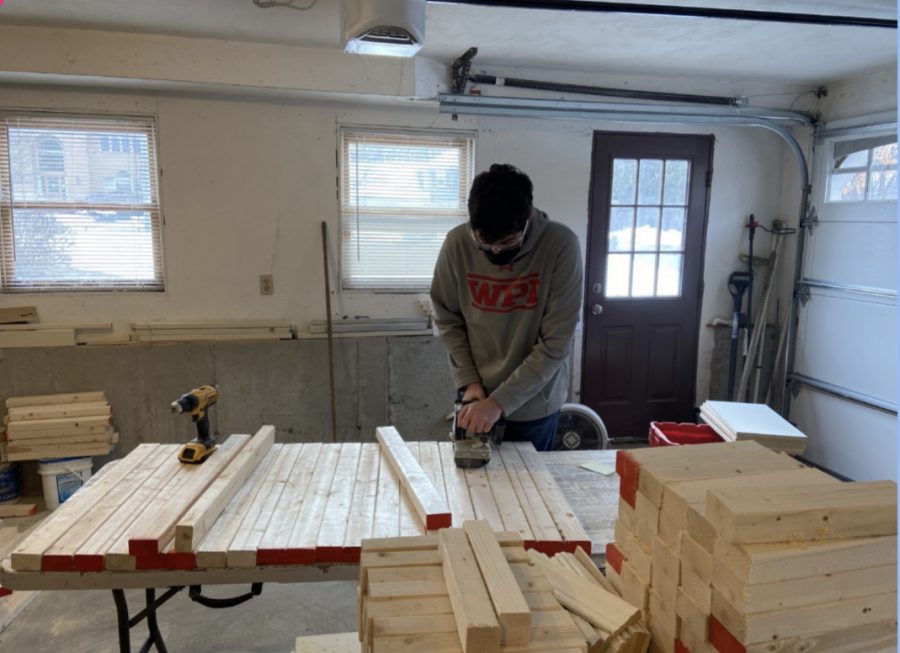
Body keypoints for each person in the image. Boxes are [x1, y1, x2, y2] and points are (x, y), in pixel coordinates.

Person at [430, 163, 584, 452]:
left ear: (526, 218)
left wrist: (500, 402)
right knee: (475, 487)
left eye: (507, 242)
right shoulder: (457, 243)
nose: (496, 252)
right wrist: (470, 383)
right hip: (476, 394)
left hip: (534, 404)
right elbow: (448, 318)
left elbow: (555, 344)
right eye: (485, 244)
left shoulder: (561, 246)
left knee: (530, 491)